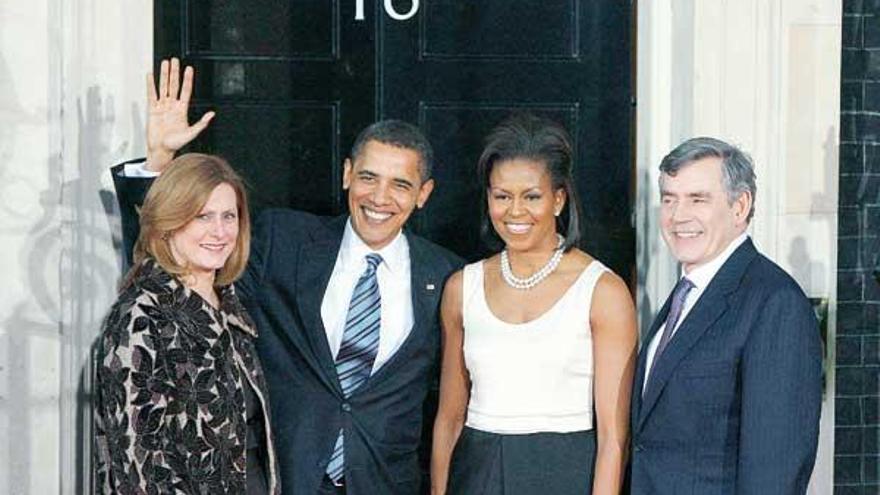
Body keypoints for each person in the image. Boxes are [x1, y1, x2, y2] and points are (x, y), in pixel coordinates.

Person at [111, 58, 464, 494]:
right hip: (284, 481)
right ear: (347, 174)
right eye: (368, 177)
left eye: (401, 185)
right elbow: (176, 266)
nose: (380, 197)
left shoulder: (446, 276)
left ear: (423, 194)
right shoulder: (284, 240)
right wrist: (159, 163)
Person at [430, 113, 638, 494]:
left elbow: (614, 438)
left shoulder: (603, 292)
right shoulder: (463, 287)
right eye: (501, 196)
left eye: (531, 196)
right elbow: (449, 419)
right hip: (477, 473)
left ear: (558, 199)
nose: (515, 212)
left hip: (564, 473)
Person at [629, 137, 822, 493]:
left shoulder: (775, 302)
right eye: (669, 199)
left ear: (740, 206)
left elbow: (774, 470)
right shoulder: (685, 294)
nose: (677, 216)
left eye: (697, 199)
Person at [94, 153, 280, 494]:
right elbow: (138, 471)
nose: (220, 231)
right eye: (202, 216)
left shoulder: (230, 305)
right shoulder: (141, 317)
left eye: (229, 216)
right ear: (169, 222)